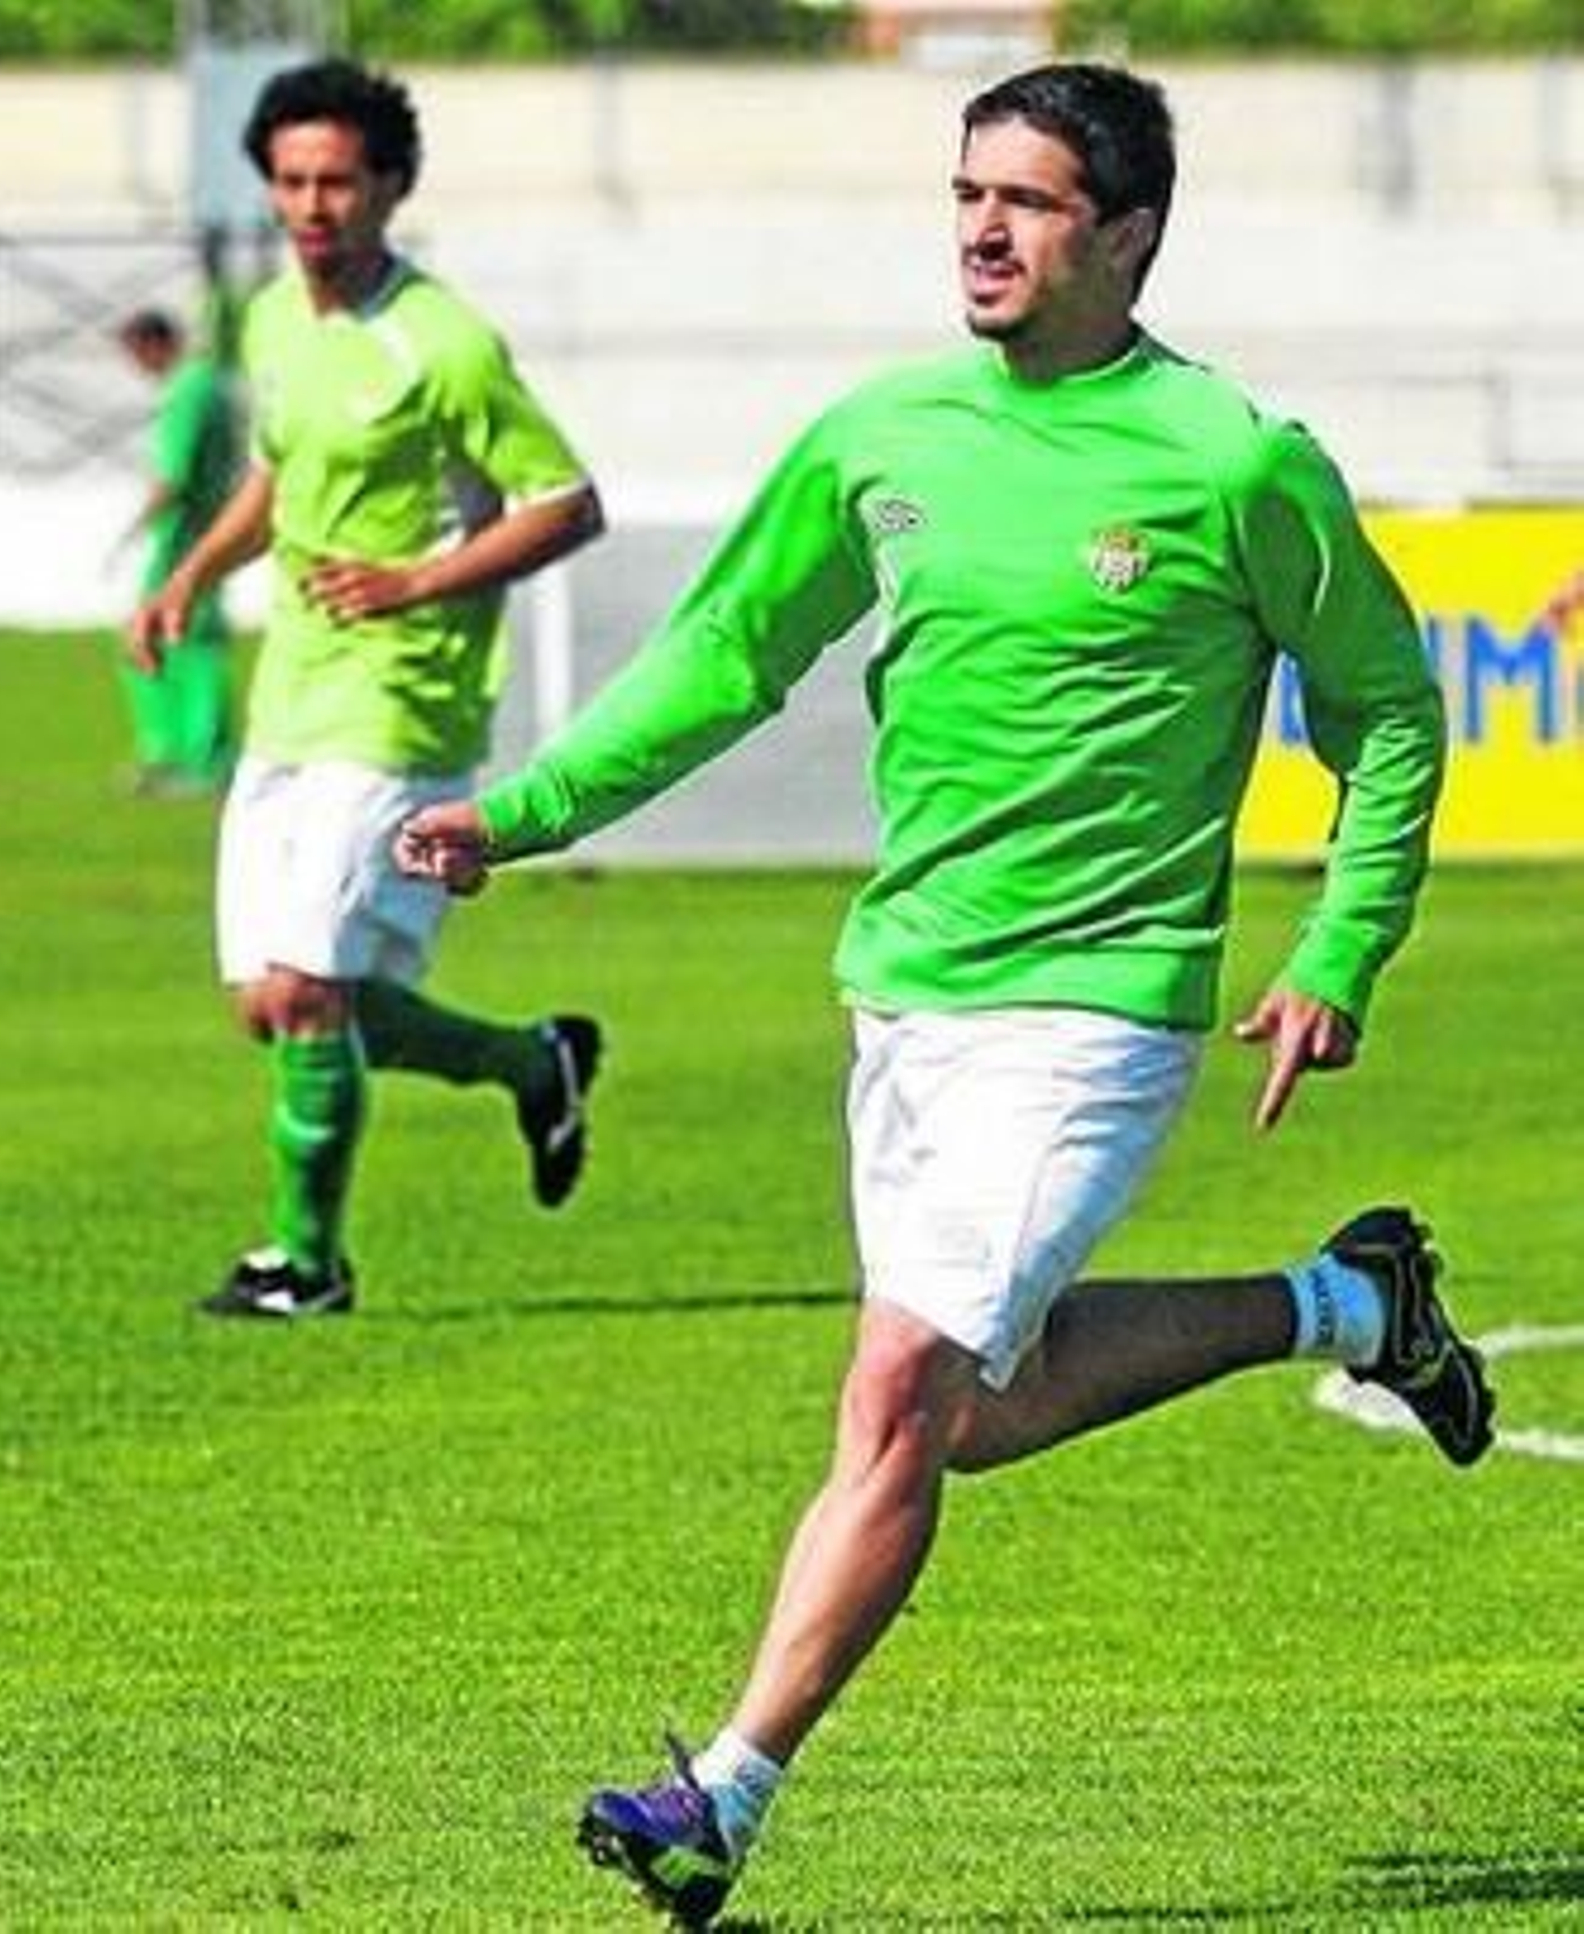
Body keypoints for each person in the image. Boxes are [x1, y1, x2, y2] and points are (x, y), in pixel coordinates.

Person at [397, 62, 1495, 1925]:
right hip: (903, 994)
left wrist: (1337, 946)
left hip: (1100, 1008)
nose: (984, 230)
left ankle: (720, 1794)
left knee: (898, 1387)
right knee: (978, 1405)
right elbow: (728, 654)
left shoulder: (1236, 463)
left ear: (1130, 233)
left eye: (1032, 202)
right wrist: (523, 810)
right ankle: (1351, 1296)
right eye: (967, 192)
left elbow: (1388, 714)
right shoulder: (884, 431)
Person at [131, 57, 606, 1320]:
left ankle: (307, 1265)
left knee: (309, 990)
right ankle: (532, 1061)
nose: (311, 206)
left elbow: (568, 503)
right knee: (273, 1005)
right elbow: (279, 479)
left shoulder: (440, 340)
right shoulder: (274, 317)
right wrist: (188, 578)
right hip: (293, 691)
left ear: (389, 186)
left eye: (337, 180)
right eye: (290, 181)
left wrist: (415, 582)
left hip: (403, 699)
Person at [114, 306, 241, 795]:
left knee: (177, 641)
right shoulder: (210, 384)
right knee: (178, 640)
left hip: (185, 540)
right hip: (203, 533)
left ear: (152, 344)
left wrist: (134, 529)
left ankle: (191, 756)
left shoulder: (189, 390)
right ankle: (180, 753)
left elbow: (173, 474)